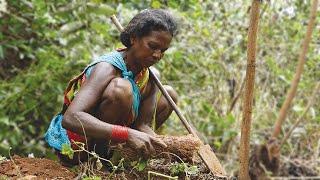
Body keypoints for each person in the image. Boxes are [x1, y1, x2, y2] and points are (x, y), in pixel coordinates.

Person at [44, 9, 178, 166]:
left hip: (116, 140)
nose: (157, 55)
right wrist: (126, 134)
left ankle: (120, 157)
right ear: (134, 38)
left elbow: (143, 125)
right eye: (152, 46)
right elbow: (71, 118)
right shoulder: (107, 68)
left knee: (169, 95)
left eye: (163, 50)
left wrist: (162, 146)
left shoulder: (149, 75)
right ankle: (99, 162)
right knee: (122, 89)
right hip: (80, 146)